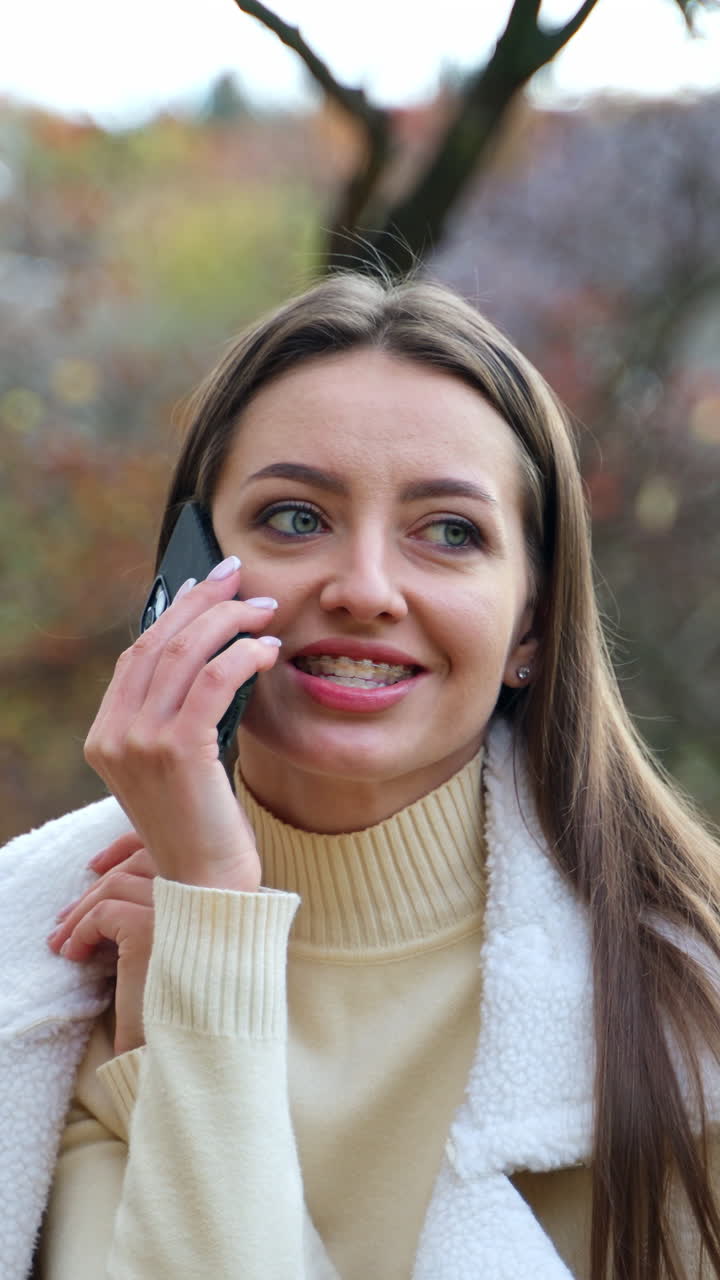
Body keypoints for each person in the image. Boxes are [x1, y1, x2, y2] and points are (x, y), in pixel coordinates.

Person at [2, 273, 720, 1280]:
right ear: (185, 572)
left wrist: (205, 921)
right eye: (296, 517)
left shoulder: (690, 995)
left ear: (530, 626)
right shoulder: (45, 961)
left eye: (450, 531)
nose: (365, 589)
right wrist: (208, 913)